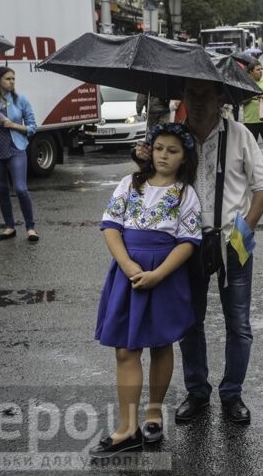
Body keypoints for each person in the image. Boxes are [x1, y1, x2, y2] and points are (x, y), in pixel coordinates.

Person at [136, 79, 263, 425]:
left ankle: (232, 393)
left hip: (233, 238)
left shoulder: (239, 134)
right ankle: (197, 392)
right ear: (182, 98)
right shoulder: (170, 137)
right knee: (189, 322)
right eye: (190, 95)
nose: (196, 102)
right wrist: (142, 158)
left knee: (239, 323)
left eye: (204, 95)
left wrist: (246, 230)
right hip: (185, 243)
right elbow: (152, 181)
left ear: (219, 99)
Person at [90, 123, 203, 458]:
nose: (164, 156)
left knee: (160, 343)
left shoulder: (186, 193)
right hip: (128, 273)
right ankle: (127, 426)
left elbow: (188, 243)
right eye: (159, 149)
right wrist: (128, 267)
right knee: (125, 349)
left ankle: (154, 410)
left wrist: (158, 274)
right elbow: (110, 227)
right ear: (149, 151)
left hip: (163, 275)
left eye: (173, 150)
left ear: (184, 158)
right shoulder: (130, 183)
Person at [0, 66, 39, 242]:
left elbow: (33, 127)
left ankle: (30, 228)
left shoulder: (21, 100)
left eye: (13, 79)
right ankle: (9, 226)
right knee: (2, 189)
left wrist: (13, 125)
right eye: (8, 79)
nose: (12, 82)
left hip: (15, 149)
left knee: (20, 188)